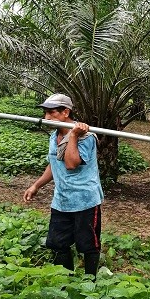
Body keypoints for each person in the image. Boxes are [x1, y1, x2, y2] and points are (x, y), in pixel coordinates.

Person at [23, 93, 103, 277]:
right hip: (62, 200)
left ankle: (91, 283)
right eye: (45, 113)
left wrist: (73, 135)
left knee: (88, 244)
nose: (47, 118)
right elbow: (54, 164)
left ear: (66, 112)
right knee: (57, 243)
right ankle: (67, 281)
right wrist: (36, 186)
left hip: (85, 200)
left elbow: (71, 163)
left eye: (51, 113)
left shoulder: (86, 137)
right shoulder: (54, 136)